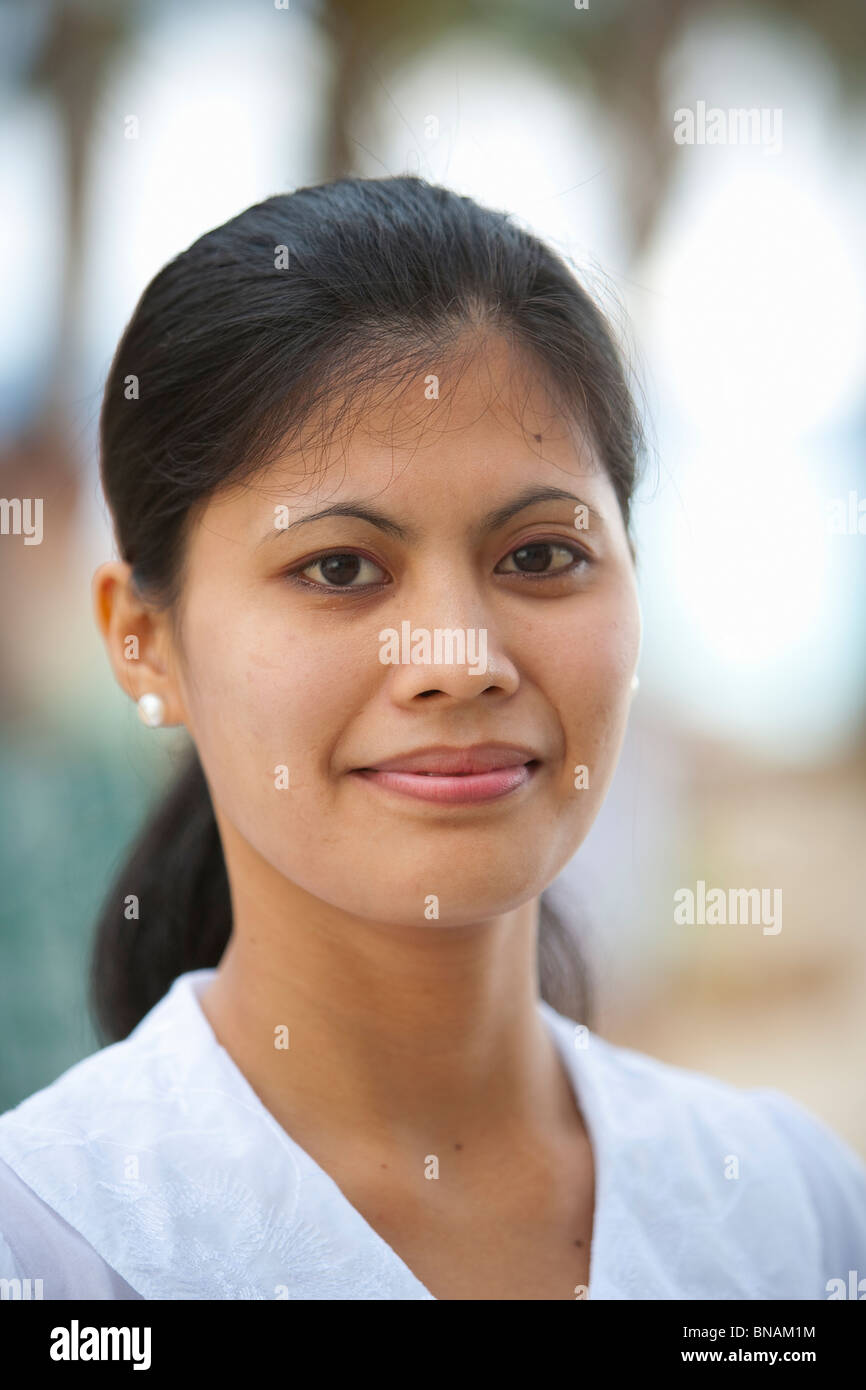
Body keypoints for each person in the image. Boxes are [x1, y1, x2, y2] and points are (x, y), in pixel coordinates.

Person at [1, 176, 863, 1301]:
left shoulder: (790, 1216)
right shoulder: (51, 1248)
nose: (461, 656)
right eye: (339, 568)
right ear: (145, 644)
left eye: (540, 555)